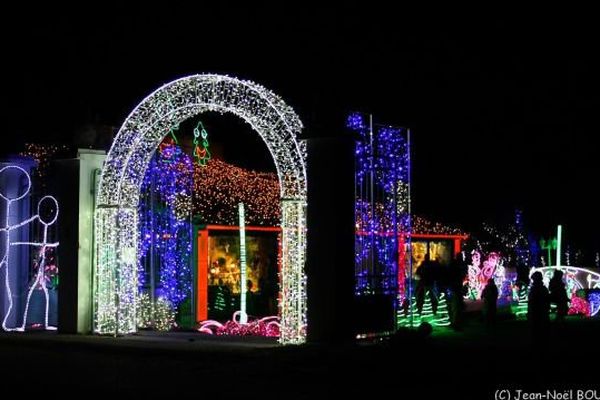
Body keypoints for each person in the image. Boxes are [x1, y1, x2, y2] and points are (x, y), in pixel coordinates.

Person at [528, 271, 550, 341]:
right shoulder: (543, 289)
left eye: (533, 279)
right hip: (541, 312)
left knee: (537, 330)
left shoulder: (535, 289)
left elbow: (531, 301)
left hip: (537, 312)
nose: (533, 281)